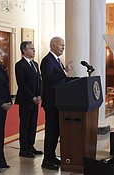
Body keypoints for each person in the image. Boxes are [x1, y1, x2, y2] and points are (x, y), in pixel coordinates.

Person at [40, 37, 76, 170]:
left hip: (59, 102)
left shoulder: (57, 60)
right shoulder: (47, 61)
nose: (63, 47)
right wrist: (64, 71)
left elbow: (61, 80)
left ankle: (52, 156)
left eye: (64, 45)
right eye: (61, 45)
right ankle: (47, 160)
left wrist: (73, 80)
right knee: (51, 132)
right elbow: (49, 81)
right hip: (51, 103)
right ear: (53, 46)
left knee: (56, 132)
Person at [15, 41, 43, 158]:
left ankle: (31, 146)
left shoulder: (35, 64)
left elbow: (39, 81)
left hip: (36, 99)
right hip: (26, 100)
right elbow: (22, 84)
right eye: (31, 49)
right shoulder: (20, 65)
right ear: (24, 51)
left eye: (34, 48)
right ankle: (24, 149)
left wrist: (40, 95)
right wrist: (32, 97)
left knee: (33, 124)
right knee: (25, 124)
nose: (34, 50)